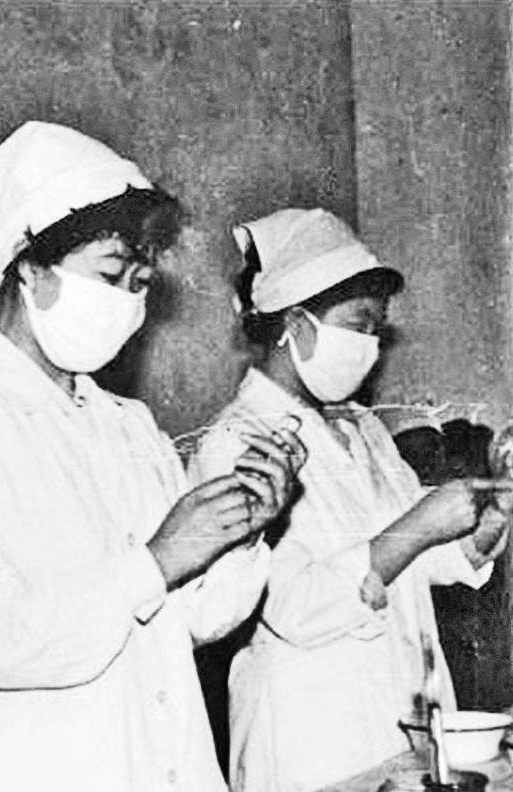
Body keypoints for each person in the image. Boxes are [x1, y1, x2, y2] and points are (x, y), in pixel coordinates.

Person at [0, 121, 307, 792]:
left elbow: (191, 620)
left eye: (140, 282)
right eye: (110, 275)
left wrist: (242, 533)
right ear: (28, 267)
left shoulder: (127, 426)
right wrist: (153, 562)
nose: (127, 303)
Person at [188, 207, 513, 792]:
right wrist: (420, 527)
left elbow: (420, 558)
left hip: (400, 719)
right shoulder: (237, 441)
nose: (371, 346)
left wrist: (488, 521)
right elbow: (292, 606)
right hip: (311, 740)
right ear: (295, 321)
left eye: (377, 330)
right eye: (359, 324)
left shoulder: (362, 428)